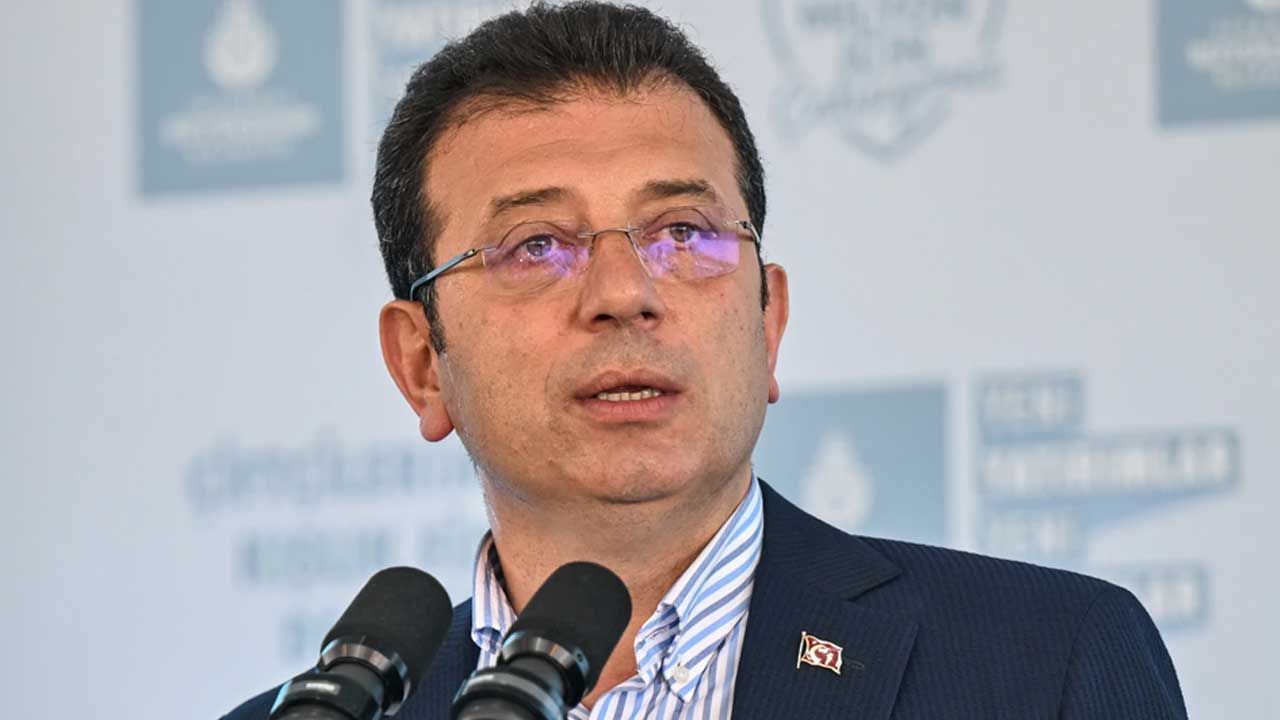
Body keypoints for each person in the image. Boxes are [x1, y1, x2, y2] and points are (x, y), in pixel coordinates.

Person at [224, 3, 1186, 718]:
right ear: (422, 364)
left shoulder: (1046, 664)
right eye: (536, 246)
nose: (623, 293)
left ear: (768, 322)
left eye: (682, 233)